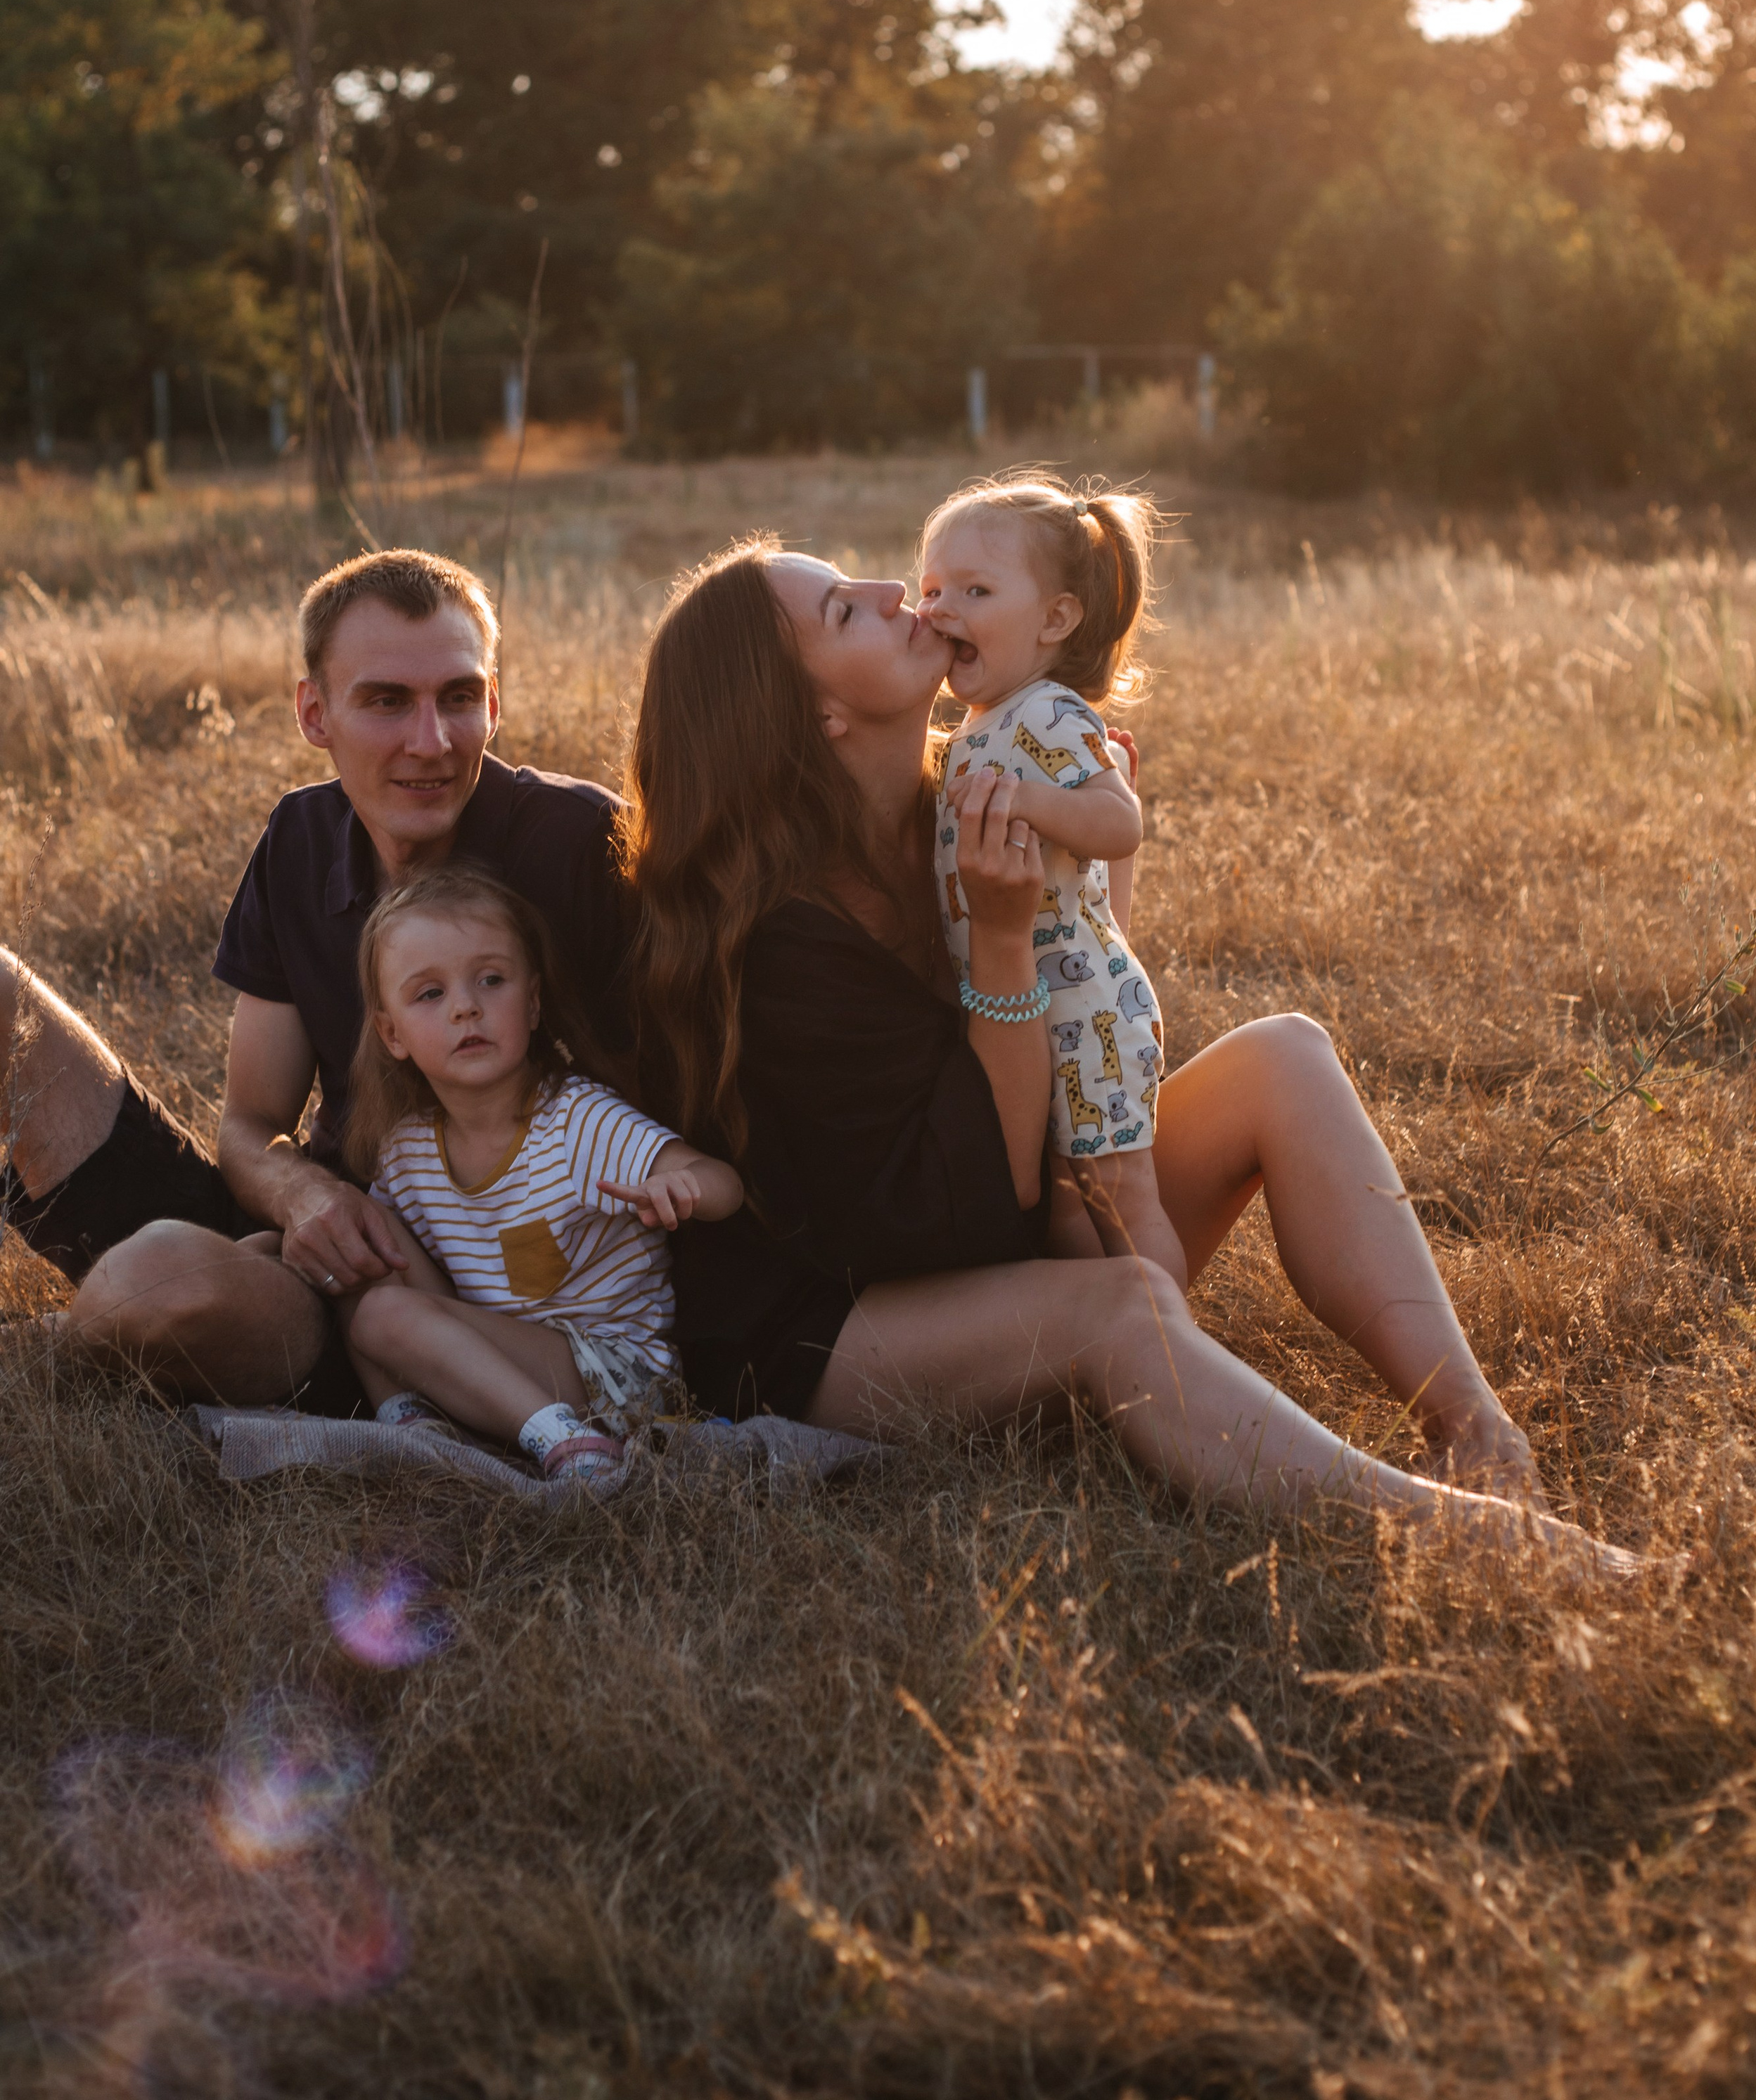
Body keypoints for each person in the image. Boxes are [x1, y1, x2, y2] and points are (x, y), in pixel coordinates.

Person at [624, 536, 1636, 1568]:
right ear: (815, 716)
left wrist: (1083, 891)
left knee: (1284, 1056)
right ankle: (1486, 1544)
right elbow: (979, 1197)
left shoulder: (958, 803)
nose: (891, 591)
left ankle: (1480, 1436)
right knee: (1124, 1308)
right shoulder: (783, 941)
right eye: (843, 610)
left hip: (999, 1241)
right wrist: (1004, 938)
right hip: (834, 1330)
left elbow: (1072, 1037)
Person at [1, 548, 632, 1412]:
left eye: (457, 697)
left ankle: (66, 1339)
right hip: (317, 1246)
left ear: (493, 703)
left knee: (151, 1285)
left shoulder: (582, 845)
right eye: (386, 701)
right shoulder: (299, 840)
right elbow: (250, 1126)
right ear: (314, 713)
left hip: (458, 1317)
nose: (431, 742)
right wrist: (306, 1197)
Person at [336, 861, 741, 1479]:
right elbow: (391, 1272)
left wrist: (682, 1186)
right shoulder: (406, 1151)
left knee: (384, 1316)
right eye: (430, 994)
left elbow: (723, 1184)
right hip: (504, 1362)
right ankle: (420, 1430)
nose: (465, 1008)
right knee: (352, 1247)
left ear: (532, 1003)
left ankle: (574, 1448)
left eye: (491, 980)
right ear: (392, 1034)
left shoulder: (576, 1121)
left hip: (621, 1379)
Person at [918, 472, 1184, 1282]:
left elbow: (1118, 822)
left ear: (1055, 620)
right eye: (930, 589)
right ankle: (1109, 1331)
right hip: (1030, 1014)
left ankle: (1169, 1339)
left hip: (1088, 1010)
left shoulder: (1048, 712)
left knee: (1121, 1197)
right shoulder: (972, 730)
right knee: (1068, 1205)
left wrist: (1030, 799)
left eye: (975, 590)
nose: (941, 609)